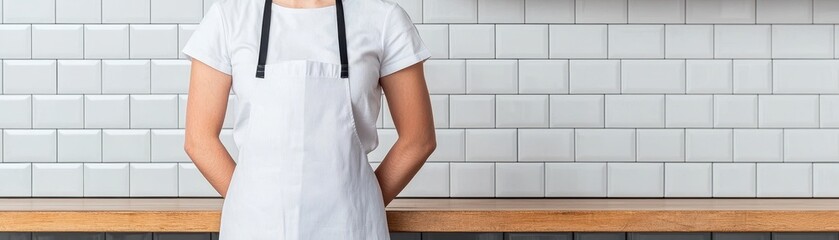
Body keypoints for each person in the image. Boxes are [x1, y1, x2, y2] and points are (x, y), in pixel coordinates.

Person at [180, 0, 436, 239]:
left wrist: (362, 201)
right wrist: (250, 203)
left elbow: (418, 139)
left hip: (351, 227)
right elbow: (199, 140)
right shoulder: (229, 18)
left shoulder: (383, 19)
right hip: (254, 228)